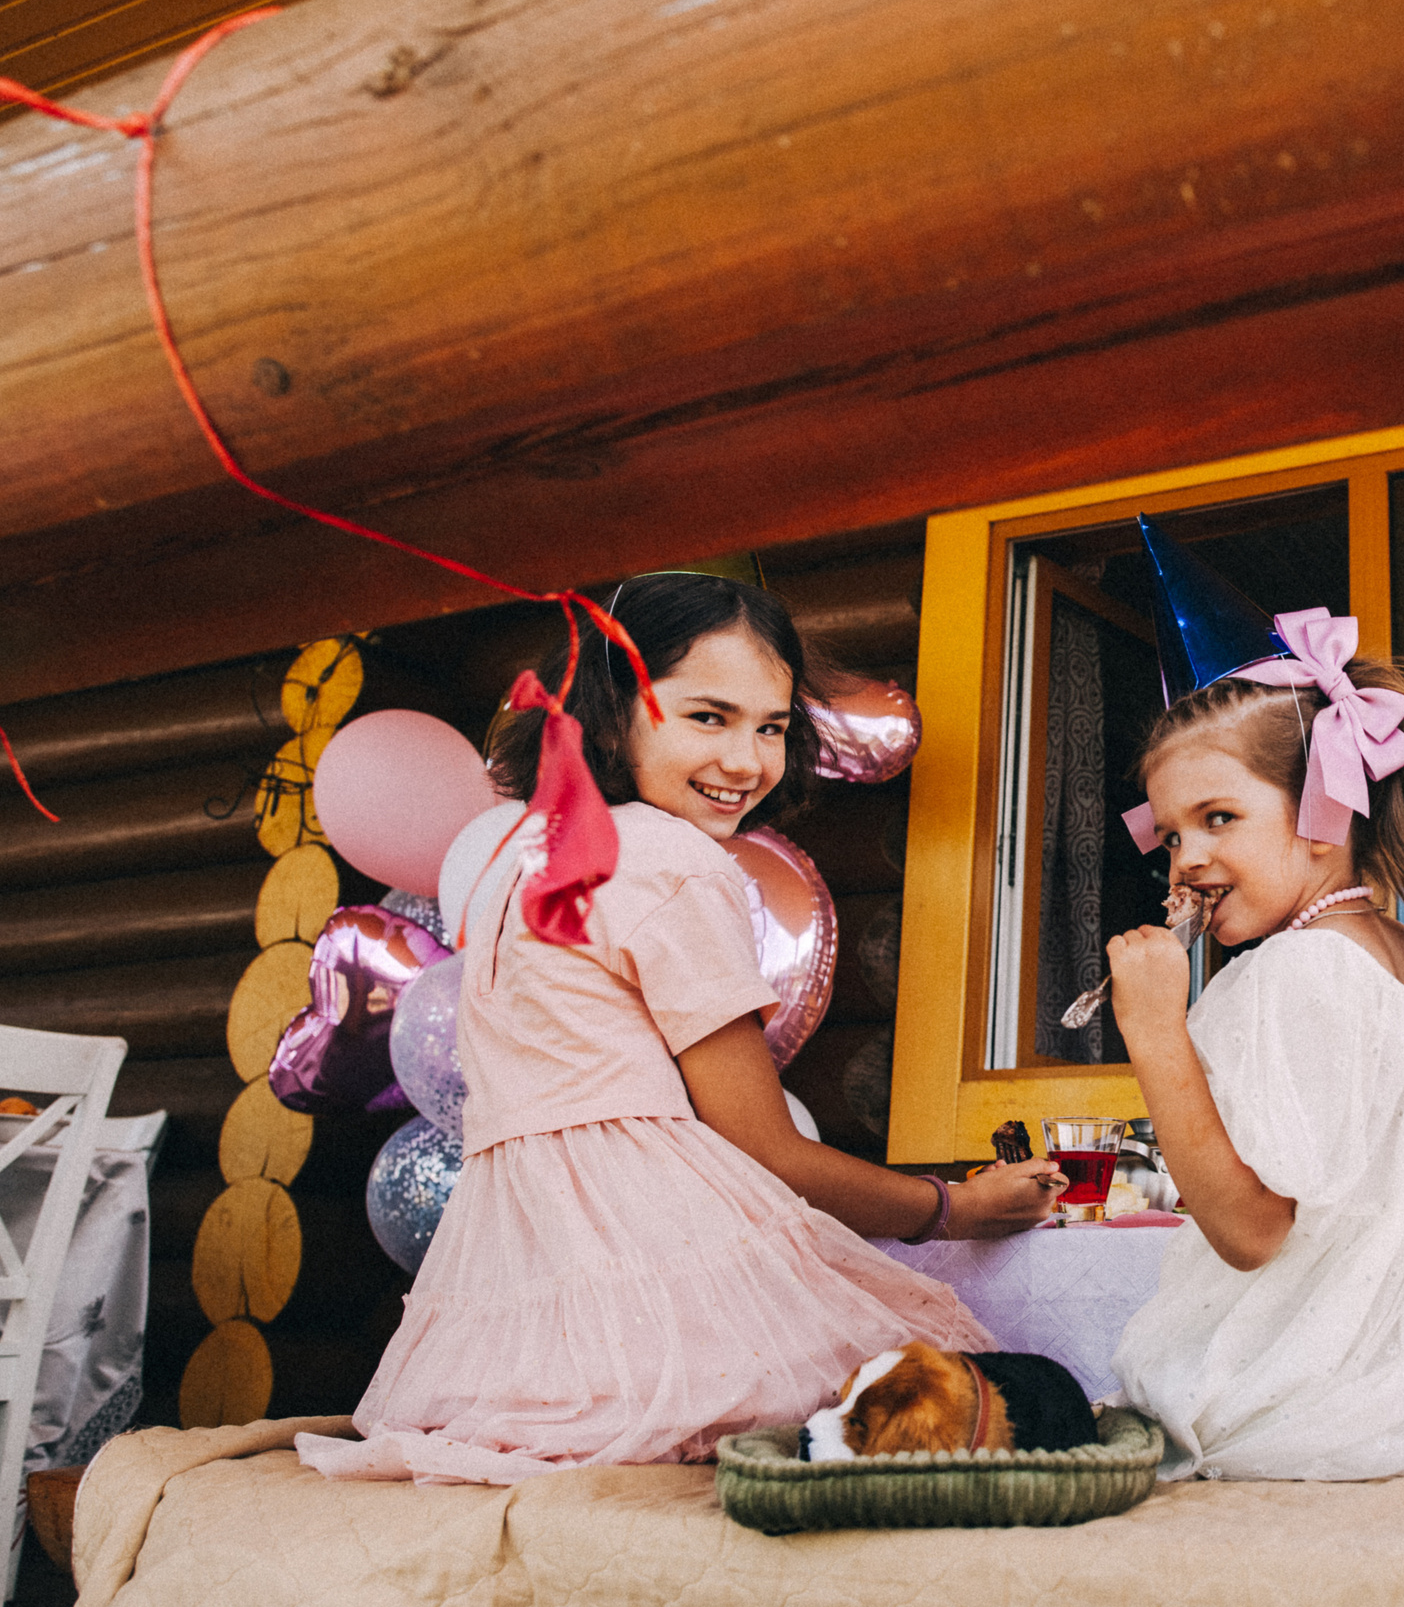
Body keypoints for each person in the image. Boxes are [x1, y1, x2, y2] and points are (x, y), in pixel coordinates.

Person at [299, 575, 1061, 1485]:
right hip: (648, 1247)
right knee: (964, 1397)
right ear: (608, 714)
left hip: (516, 1267)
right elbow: (767, 1147)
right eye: (708, 717)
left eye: (771, 727)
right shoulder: (670, 858)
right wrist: (955, 1208)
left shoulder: (518, 856)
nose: (746, 759)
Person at [1104, 567, 1404, 1481]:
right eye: (1171, 834)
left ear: (1324, 812)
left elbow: (1251, 1231)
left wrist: (1155, 1031)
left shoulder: (1292, 976)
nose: (1186, 859)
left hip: (1297, 1416)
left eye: (1219, 817)